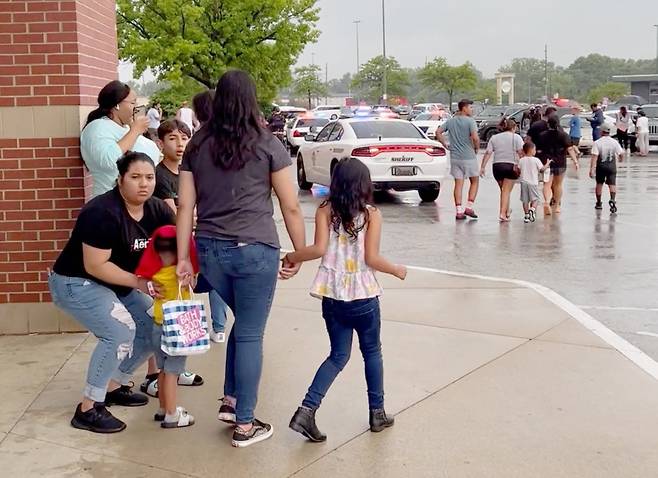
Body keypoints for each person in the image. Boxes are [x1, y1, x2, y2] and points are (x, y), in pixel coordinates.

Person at [176, 69, 306, 448]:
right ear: (251, 99)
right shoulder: (267, 143)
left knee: (242, 326)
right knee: (250, 332)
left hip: (211, 251)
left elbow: (185, 205)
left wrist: (185, 256)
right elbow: (291, 206)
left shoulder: (197, 143)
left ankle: (232, 403)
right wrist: (298, 250)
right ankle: (246, 425)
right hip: (255, 251)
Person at [48, 152, 174, 433]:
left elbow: (174, 247)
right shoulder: (101, 212)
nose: (144, 184)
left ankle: (113, 385)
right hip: (76, 282)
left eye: (150, 177)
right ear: (120, 180)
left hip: (120, 282)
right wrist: (141, 282)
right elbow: (95, 266)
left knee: (152, 326)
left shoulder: (158, 210)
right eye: (135, 177)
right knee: (119, 332)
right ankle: (88, 408)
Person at [285, 158, 406, 442]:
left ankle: (307, 410)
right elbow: (371, 258)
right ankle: (377, 413)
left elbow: (317, 249)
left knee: (338, 355)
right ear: (364, 185)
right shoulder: (372, 214)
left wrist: (291, 256)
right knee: (372, 352)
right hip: (363, 297)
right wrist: (396, 270)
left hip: (333, 296)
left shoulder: (325, 210)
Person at [135, 225, 198, 428]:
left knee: (162, 370)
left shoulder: (155, 276)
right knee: (173, 372)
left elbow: (142, 280)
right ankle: (172, 414)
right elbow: (194, 284)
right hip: (178, 328)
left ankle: (163, 408)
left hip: (158, 325)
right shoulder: (182, 275)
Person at [190, 90, 230, 345]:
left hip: (205, 225)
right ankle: (219, 325)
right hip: (232, 227)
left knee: (205, 278)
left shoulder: (196, 145)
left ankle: (198, 329)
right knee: (220, 281)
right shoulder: (234, 141)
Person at [81, 80, 161, 198]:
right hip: (110, 202)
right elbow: (109, 160)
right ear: (117, 104)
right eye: (133, 103)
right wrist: (135, 131)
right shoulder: (98, 128)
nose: (136, 108)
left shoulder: (127, 128)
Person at [436, 99, 480, 220]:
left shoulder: (450, 121)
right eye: (470, 107)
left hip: (455, 157)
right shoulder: (470, 122)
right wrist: (476, 148)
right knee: (474, 181)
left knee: (458, 184)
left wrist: (445, 144)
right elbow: (475, 137)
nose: (472, 109)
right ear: (464, 108)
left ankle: (459, 211)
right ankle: (469, 207)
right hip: (469, 156)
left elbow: (438, 132)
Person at [480, 119, 524, 222]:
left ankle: (507, 211)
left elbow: (488, 152)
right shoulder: (517, 137)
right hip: (510, 166)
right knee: (506, 191)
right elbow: (521, 152)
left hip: (497, 166)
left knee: (504, 190)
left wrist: (482, 167)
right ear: (513, 128)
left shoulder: (494, 138)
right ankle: (502, 213)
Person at [539, 116, 580, 215]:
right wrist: (575, 161)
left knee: (547, 184)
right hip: (560, 163)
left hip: (547, 162)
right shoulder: (563, 135)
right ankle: (557, 206)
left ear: (548, 124)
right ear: (558, 123)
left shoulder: (542, 135)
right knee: (558, 185)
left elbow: (539, 150)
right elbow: (570, 149)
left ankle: (547, 202)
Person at [590, 124, 624, 213]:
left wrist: (592, 169)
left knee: (599, 184)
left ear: (601, 132)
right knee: (612, 184)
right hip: (611, 166)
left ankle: (598, 203)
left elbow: (595, 156)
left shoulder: (597, 142)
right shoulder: (614, 142)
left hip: (601, 166)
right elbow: (621, 153)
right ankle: (612, 199)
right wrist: (621, 160)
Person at [518, 142, 552, 223]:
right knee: (535, 199)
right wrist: (547, 164)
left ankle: (526, 216)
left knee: (525, 200)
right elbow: (542, 170)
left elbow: (518, 170)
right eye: (534, 149)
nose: (535, 151)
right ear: (531, 150)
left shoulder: (521, 160)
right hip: (533, 182)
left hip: (523, 182)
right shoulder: (536, 160)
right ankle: (532, 209)